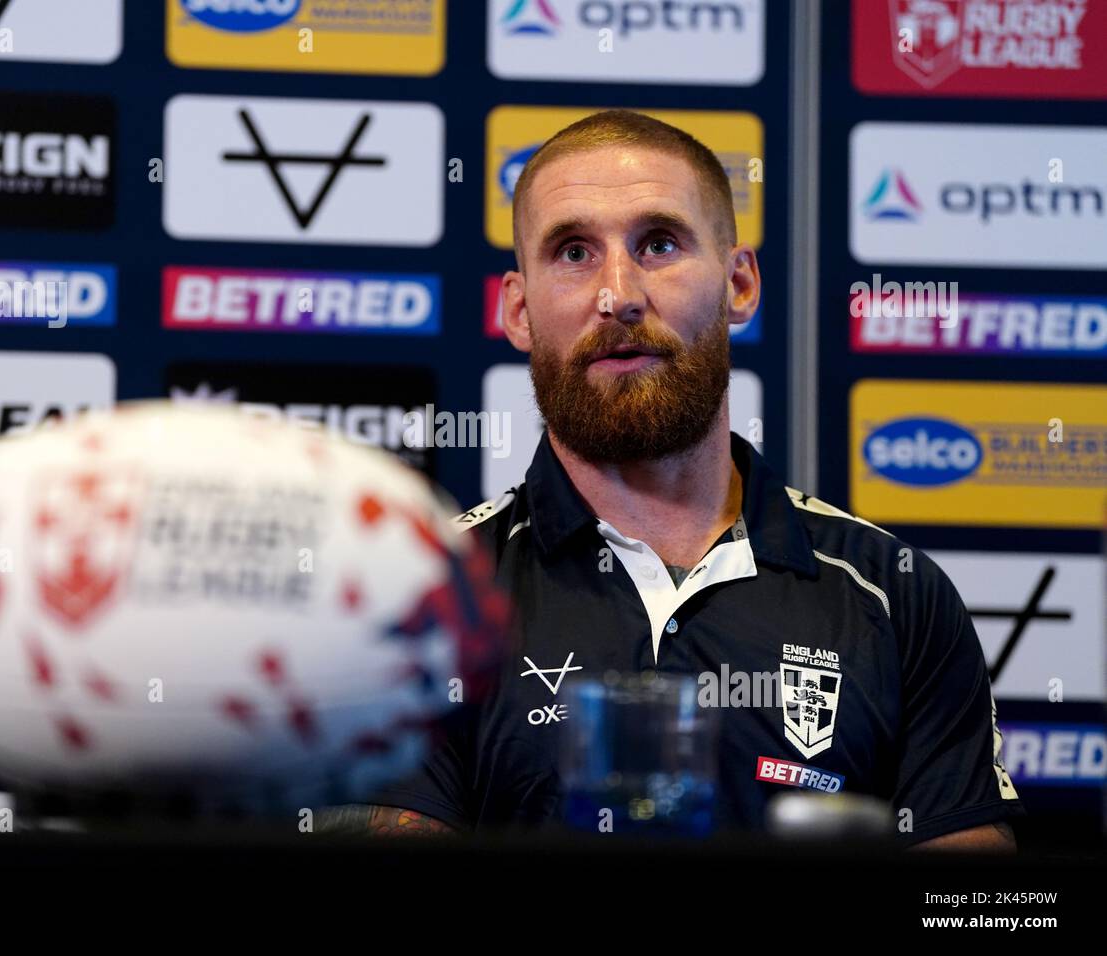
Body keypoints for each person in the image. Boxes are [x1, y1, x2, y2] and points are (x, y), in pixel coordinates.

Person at [329, 109, 1023, 849]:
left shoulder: (897, 593)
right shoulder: (430, 598)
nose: (618, 294)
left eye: (659, 244)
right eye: (573, 251)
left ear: (740, 284)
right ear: (521, 311)